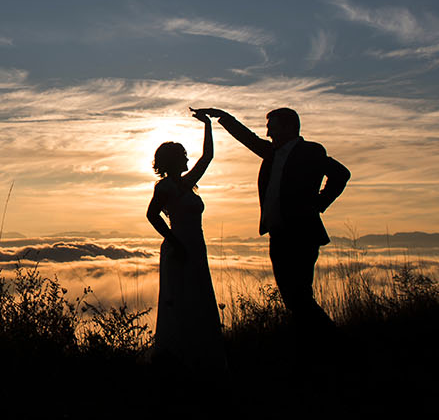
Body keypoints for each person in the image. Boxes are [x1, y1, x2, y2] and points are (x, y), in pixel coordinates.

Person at [194, 106, 349, 342]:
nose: (268, 133)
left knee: (299, 296)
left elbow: (341, 174)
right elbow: (248, 139)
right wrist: (222, 116)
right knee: (291, 297)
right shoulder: (272, 153)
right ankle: (317, 343)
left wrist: (319, 202)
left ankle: (335, 342)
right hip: (278, 234)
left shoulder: (310, 151)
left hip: (302, 234)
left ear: (289, 127)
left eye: (272, 127)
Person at [146, 109, 226, 371]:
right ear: (171, 161)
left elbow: (208, 157)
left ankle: (199, 352)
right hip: (179, 248)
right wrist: (176, 242)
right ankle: (178, 356)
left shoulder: (187, 182)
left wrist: (207, 125)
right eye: (182, 156)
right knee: (180, 298)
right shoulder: (165, 187)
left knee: (198, 297)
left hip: (195, 246)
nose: (187, 159)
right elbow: (152, 215)